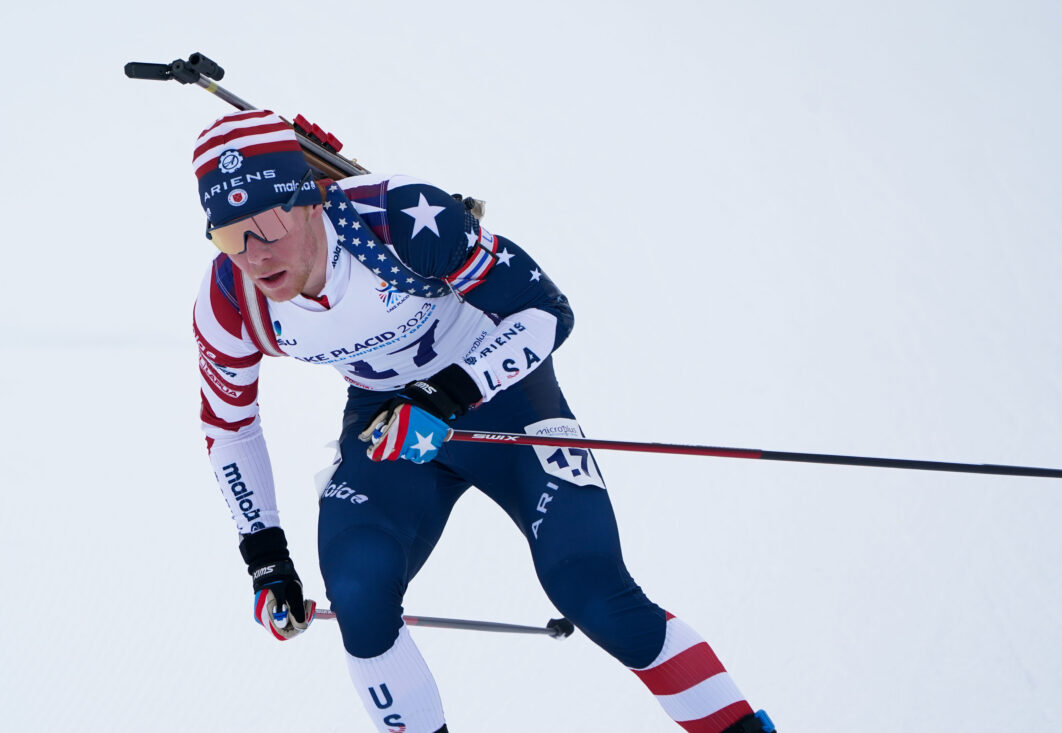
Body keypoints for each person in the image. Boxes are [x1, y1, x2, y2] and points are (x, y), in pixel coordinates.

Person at [192, 109, 776, 733]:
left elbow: (545, 311)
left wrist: (445, 395)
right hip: (389, 422)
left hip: (502, 397)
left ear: (311, 199)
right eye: (230, 235)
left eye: (269, 224)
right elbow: (229, 427)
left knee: (590, 587)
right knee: (358, 595)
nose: (254, 255)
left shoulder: (396, 218)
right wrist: (266, 558)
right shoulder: (230, 300)